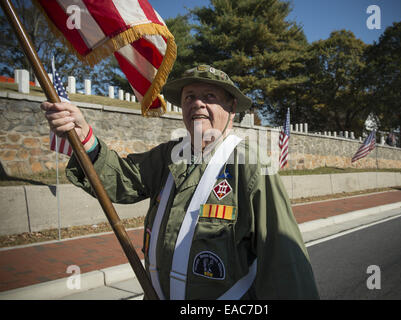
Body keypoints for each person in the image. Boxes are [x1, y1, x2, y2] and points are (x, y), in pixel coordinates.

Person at [40, 65, 319, 300]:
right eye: (189, 97)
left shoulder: (251, 165)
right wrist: (84, 136)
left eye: (209, 96)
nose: (197, 103)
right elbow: (122, 180)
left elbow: (283, 259)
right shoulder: (168, 156)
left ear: (231, 108)